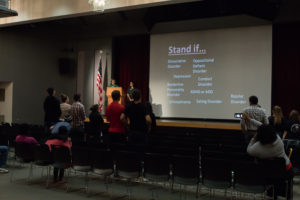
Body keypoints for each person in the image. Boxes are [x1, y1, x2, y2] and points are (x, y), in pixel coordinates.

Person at [247, 125, 293, 200]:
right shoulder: (278, 140)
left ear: (259, 136)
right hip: (285, 172)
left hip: (267, 175)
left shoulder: (257, 148)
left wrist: (253, 138)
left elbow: (248, 150)